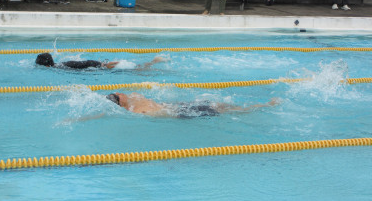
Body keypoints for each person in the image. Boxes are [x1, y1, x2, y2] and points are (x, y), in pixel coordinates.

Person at [105, 92, 279, 118]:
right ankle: (262, 106)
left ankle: (261, 106)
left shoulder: (134, 98)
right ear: (121, 102)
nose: (121, 92)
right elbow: (162, 115)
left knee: (218, 104)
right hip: (181, 111)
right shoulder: (138, 110)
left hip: (179, 105)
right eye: (119, 95)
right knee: (223, 110)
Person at [35, 52, 168, 70]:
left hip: (93, 64)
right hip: (91, 63)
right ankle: (153, 62)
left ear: (46, 66)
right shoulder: (59, 65)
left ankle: (153, 62)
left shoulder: (59, 68)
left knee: (135, 69)